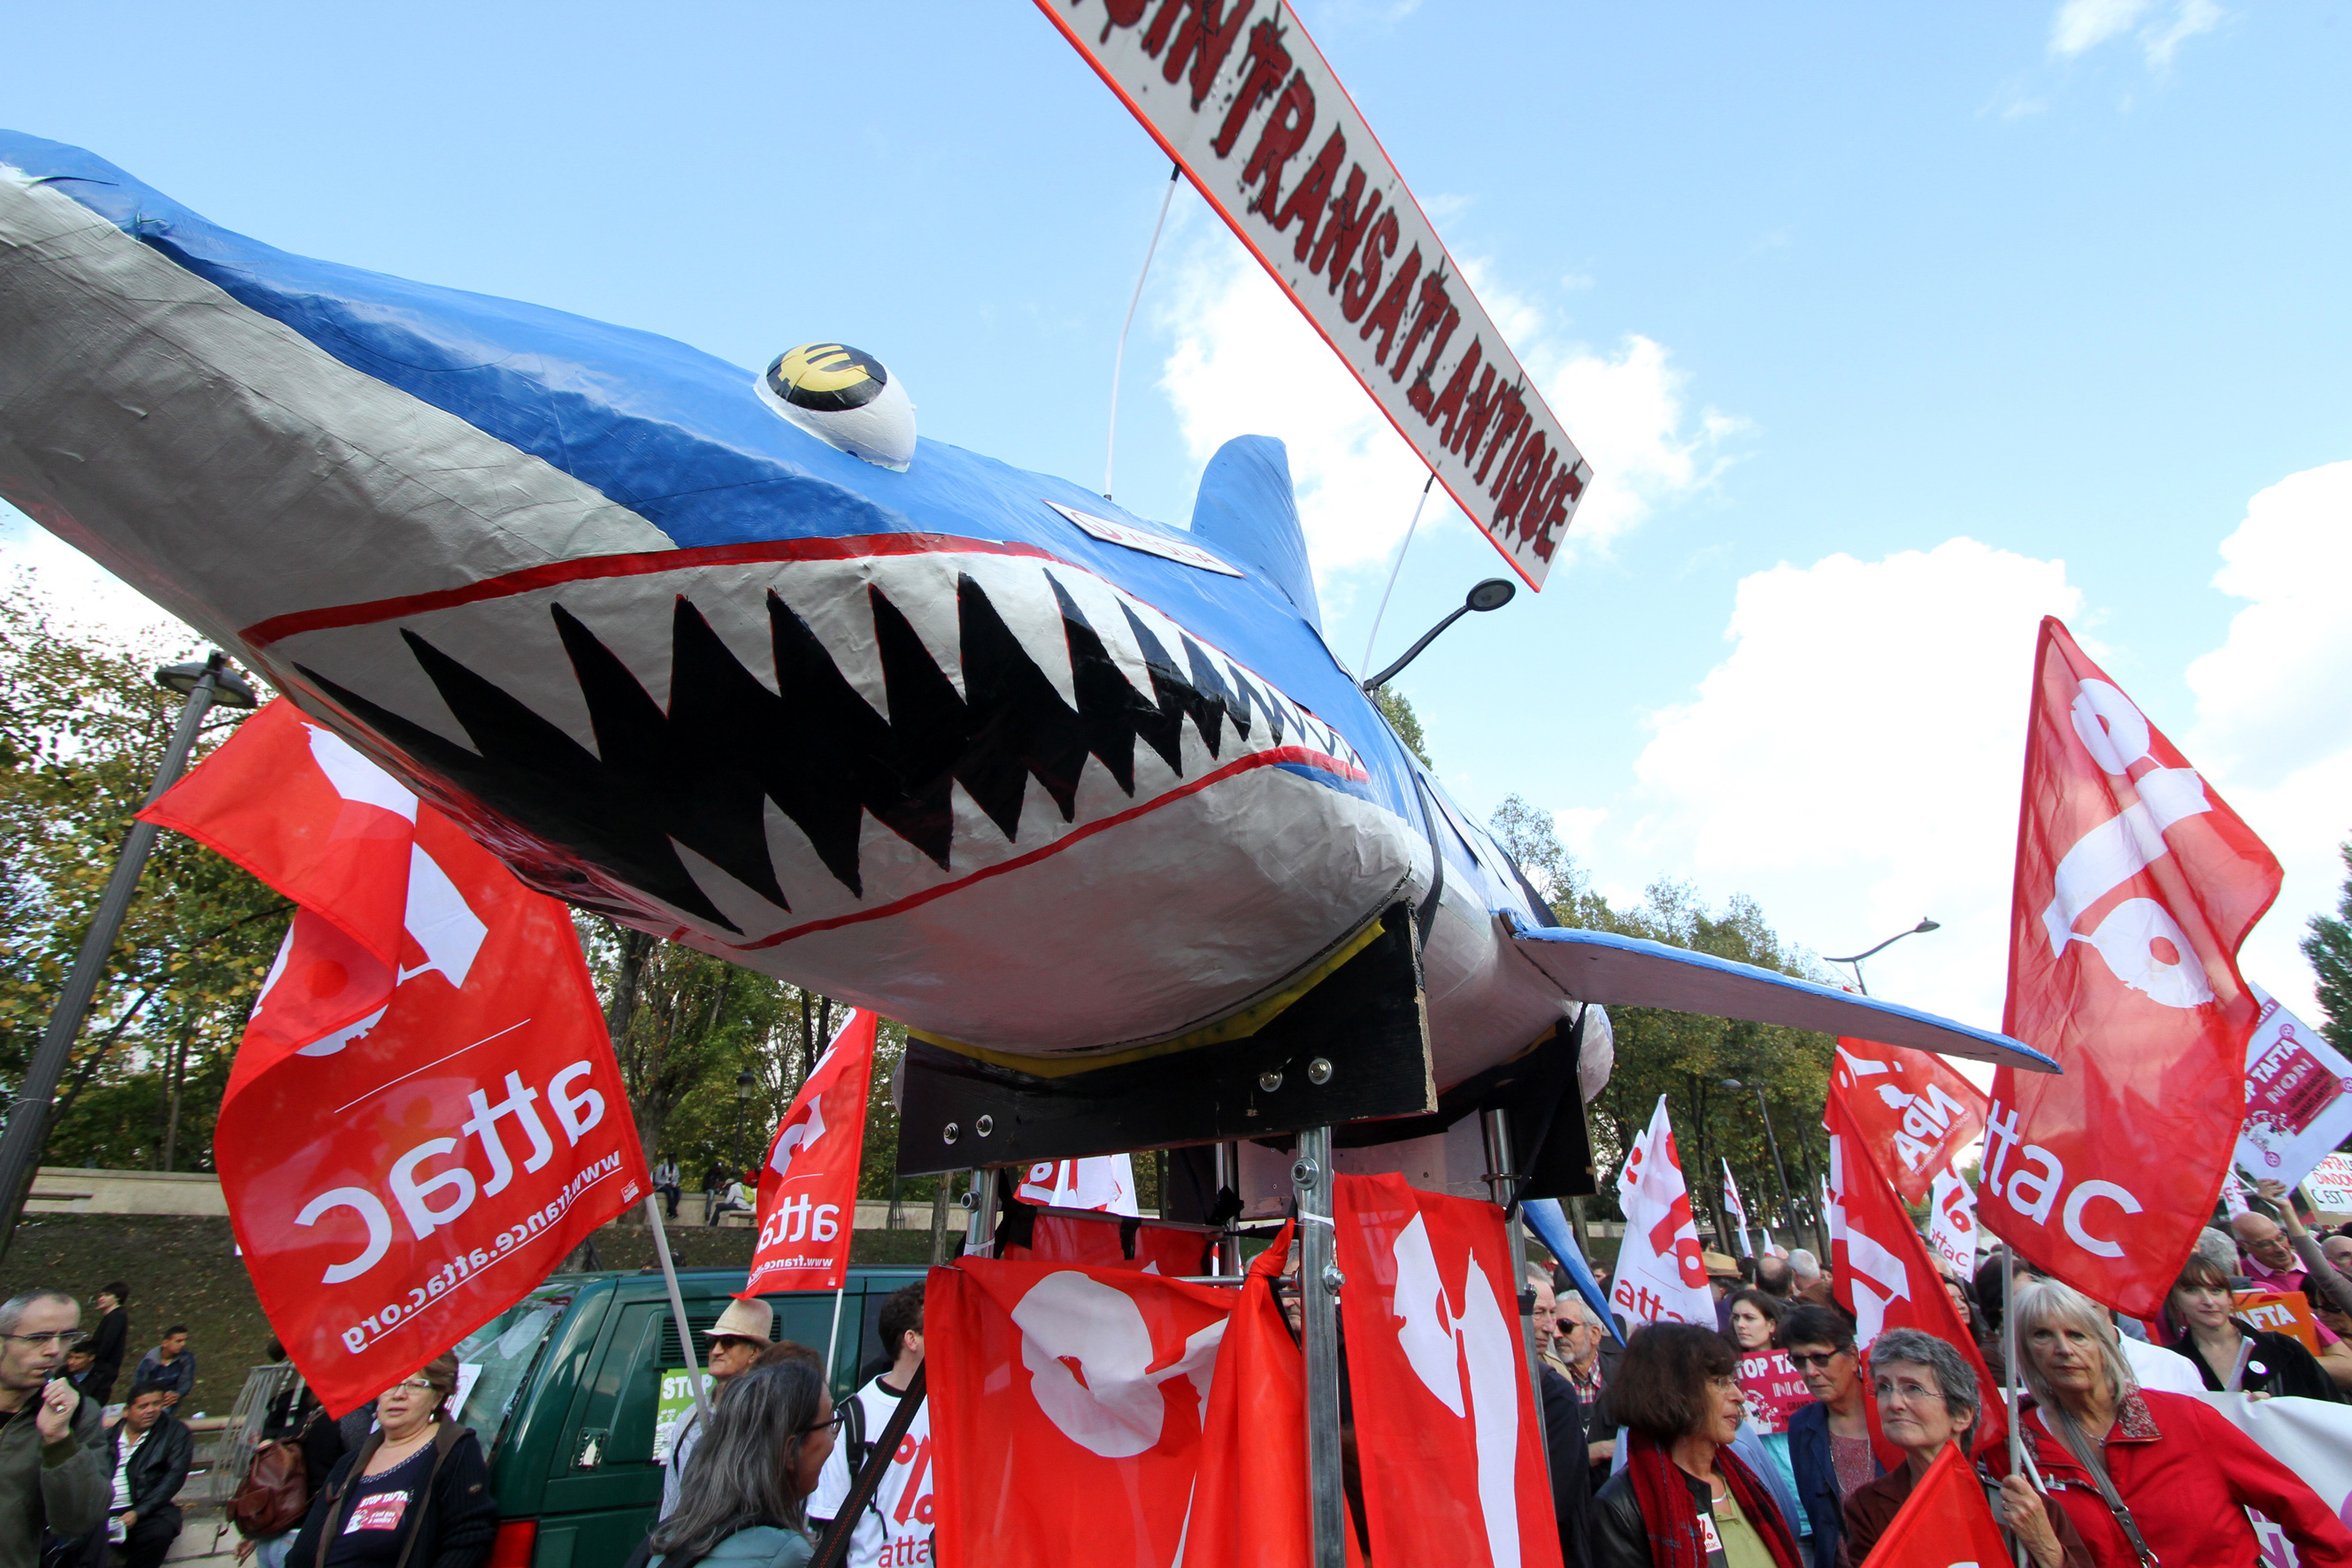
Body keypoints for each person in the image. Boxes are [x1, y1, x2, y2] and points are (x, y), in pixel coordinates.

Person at [2001, 1276, 2352, 1567]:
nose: (2063, 1349)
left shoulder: (2185, 1418)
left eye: (2077, 1335)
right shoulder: (2017, 1451)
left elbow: (2310, 1517)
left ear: (2104, 1344)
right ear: (2024, 1349)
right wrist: (2052, 1556)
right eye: (2042, 1335)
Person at [1836, 1327, 2085, 1568]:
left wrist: (2045, 1548)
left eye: (1913, 1388)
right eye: (1884, 1387)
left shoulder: (2027, 1508)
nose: (1894, 1403)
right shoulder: (1868, 1506)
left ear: (1962, 1415)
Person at [1589, 1323, 1802, 1567]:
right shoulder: (1621, 1507)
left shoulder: (1745, 1479)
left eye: (1734, 1381)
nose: (1739, 1396)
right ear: (1673, 1393)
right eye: (1721, 1382)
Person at [287, 1355, 496, 1568]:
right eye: (390, 1384)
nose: (398, 1395)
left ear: (437, 1396)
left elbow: (468, 1537)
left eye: (415, 1385)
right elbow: (303, 1551)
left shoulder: (453, 1450)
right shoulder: (349, 1464)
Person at [642, 1360, 832, 1568]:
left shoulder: (665, 1540)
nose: (834, 1439)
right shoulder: (788, 1555)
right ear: (790, 1451)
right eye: (830, 1424)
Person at [810, 1284, 928, 1568]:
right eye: (939, 1327)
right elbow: (830, 1526)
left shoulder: (956, 1408)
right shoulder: (853, 1417)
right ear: (911, 1340)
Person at [0, 1289, 106, 1568]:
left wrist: (59, 1440)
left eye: (67, 1337)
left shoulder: (77, 1414)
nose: (55, 1351)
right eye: (38, 1338)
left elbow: (78, 1521)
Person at [2159, 1250, 2339, 1400]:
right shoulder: (2169, 1362)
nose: (2208, 1301)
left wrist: (2275, 1408)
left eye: (2216, 1290)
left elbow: (2329, 1409)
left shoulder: (2283, 1346)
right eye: (2191, 1291)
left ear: (2229, 1297)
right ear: (2174, 1300)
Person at [1780, 1305, 1878, 1568]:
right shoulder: (1802, 1426)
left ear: (1853, 1356)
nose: (1810, 1371)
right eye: (1799, 1360)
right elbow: (1820, 1522)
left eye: (1820, 1358)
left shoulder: (1890, 1413)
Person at [661, 1297, 772, 1520]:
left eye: (728, 1342)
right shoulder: (689, 1418)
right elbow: (672, 1498)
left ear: (754, 1353)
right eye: (711, 1342)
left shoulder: (770, 1417)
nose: (716, 1350)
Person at [81, 1382, 191, 1568]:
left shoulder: (174, 1433)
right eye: (143, 1406)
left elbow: (173, 1478)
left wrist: (137, 1513)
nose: (151, 1410)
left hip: (146, 1509)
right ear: (126, 1411)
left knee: (160, 1533)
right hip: (103, 1511)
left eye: (156, 1404)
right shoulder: (107, 1437)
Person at [80, 1290, 127, 1413]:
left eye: (106, 1295)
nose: (101, 1298)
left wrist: (94, 1360)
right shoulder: (111, 1317)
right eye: (101, 1295)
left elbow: (107, 1343)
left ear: (118, 1297)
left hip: (103, 1369)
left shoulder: (117, 1317)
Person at [128, 1330, 192, 1410]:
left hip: (170, 1399)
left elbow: (186, 1381)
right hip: (150, 1398)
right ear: (165, 1343)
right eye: (178, 1341)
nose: (183, 1344)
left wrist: (177, 1394)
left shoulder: (186, 1358)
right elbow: (138, 1386)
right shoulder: (149, 1361)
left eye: (185, 1340)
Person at [1725, 1289, 1784, 1354]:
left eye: (1749, 1318)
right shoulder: (1726, 1356)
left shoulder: (1789, 1357)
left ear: (1772, 1325)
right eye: (1736, 1317)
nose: (1739, 1324)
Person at [652, 1158, 682, 1222]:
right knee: (670, 1192)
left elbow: (676, 1179)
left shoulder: (676, 1168)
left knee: (678, 1192)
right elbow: (657, 1180)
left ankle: (670, 1210)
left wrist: (673, 1184)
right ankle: (673, 1212)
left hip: (671, 1185)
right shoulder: (661, 1168)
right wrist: (666, 1183)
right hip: (661, 1186)